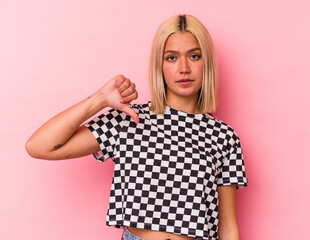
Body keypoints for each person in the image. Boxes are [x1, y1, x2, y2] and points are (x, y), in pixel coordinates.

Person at [26, 14, 248, 240]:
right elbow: (39, 147)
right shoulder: (129, 119)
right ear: (159, 65)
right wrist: (99, 99)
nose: (184, 68)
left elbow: (228, 226)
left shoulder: (223, 136)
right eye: (171, 58)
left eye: (194, 56)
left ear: (207, 63)